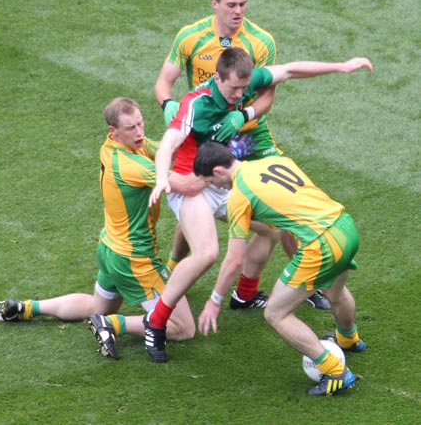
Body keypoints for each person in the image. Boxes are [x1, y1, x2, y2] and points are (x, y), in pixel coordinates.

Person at [145, 47, 373, 363]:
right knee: (208, 253)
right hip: (192, 182)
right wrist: (161, 178)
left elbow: (291, 70)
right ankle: (155, 322)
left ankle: (245, 294)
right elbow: (168, 143)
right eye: (234, 90)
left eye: (244, 89)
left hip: (222, 177)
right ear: (217, 77)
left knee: (270, 229)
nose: (240, 95)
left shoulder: (244, 82)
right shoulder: (195, 104)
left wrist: (342, 66)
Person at [154, 0, 330, 310]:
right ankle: (175, 266)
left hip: (248, 139)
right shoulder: (191, 37)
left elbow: (266, 97)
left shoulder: (260, 41)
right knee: (195, 196)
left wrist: (243, 116)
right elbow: (163, 82)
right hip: (208, 138)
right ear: (215, 4)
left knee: (281, 201)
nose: (239, 11)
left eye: (243, 4)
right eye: (231, 5)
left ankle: (302, 284)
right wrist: (169, 105)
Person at [0, 97, 196, 362]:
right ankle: (112, 326)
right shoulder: (134, 166)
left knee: (95, 306)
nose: (140, 132)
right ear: (114, 131)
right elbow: (186, 185)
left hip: (110, 249)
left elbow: (169, 150)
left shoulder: (113, 148)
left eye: (141, 123)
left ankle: (26, 308)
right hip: (136, 260)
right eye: (131, 128)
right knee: (184, 328)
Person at [194, 141, 366, 396]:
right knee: (335, 291)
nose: (215, 187)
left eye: (210, 181)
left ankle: (335, 371)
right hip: (345, 226)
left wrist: (215, 300)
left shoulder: (239, 196)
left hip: (322, 244)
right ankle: (348, 338)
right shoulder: (274, 161)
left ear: (219, 171)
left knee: (276, 313)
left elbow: (233, 259)